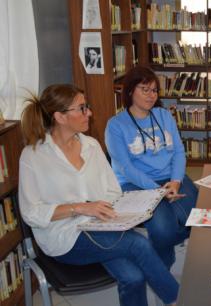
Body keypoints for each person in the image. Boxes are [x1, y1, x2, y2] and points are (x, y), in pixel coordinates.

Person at [18, 84, 178, 306]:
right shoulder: (34, 156)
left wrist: (125, 210)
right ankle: (179, 299)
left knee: (133, 276)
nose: (89, 113)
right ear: (60, 117)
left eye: (87, 107)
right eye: (82, 108)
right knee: (139, 244)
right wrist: (80, 208)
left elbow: (112, 191)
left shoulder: (91, 146)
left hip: (101, 226)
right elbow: (31, 213)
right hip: (65, 237)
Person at [105, 65, 197, 270]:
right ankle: (162, 267)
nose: (151, 95)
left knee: (197, 218)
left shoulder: (164, 115)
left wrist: (175, 181)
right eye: (144, 89)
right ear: (130, 91)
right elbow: (126, 168)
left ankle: (165, 244)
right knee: (164, 230)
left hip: (170, 178)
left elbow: (179, 152)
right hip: (136, 183)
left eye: (154, 90)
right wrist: (159, 192)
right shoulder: (116, 125)